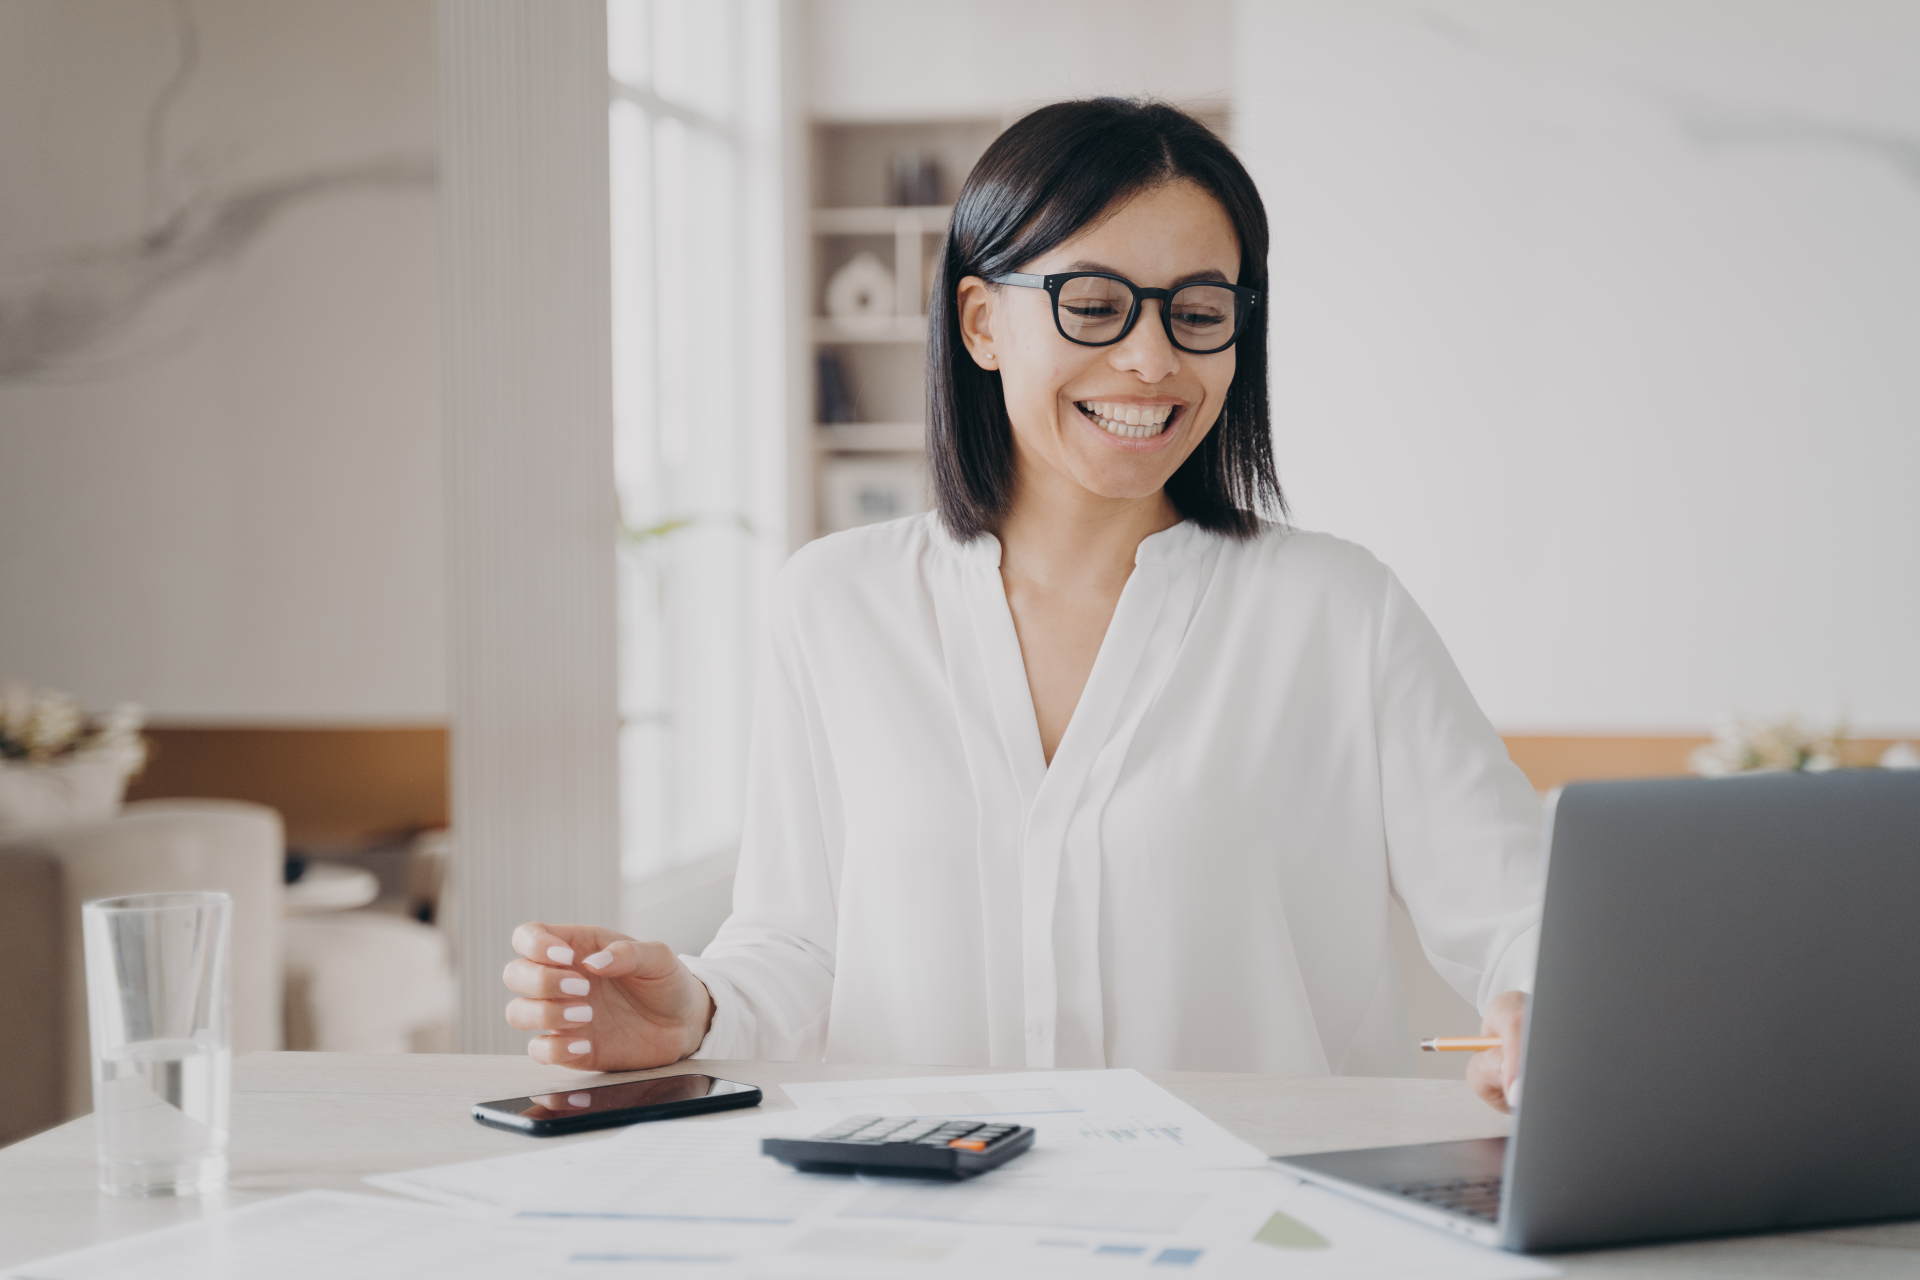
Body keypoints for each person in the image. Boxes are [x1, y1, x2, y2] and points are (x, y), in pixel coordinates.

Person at [504, 99, 1540, 1113]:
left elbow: (1521, 907)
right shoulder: (835, 605)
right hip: (923, 1226)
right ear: (981, 319)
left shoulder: (1336, 609)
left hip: (1259, 1227)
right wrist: (694, 1009)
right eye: (1093, 304)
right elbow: (800, 943)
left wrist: (1542, 1009)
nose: (1152, 358)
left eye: (1200, 311)